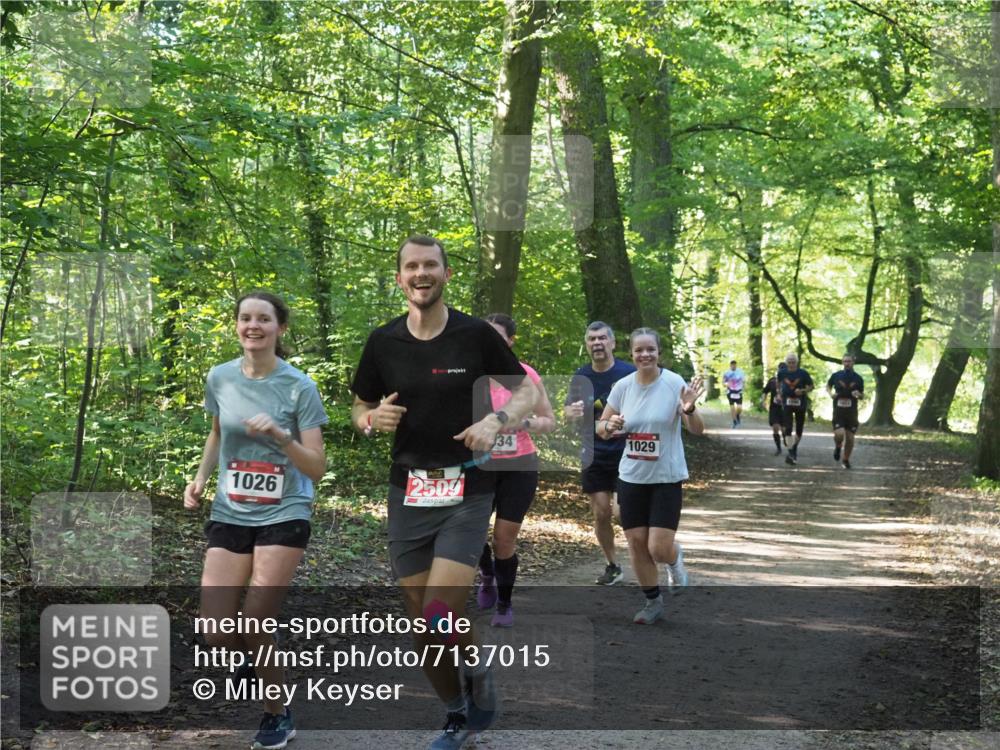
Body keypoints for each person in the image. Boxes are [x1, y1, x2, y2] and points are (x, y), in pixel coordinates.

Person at [350, 235, 537, 750]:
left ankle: (471, 677)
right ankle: (457, 709)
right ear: (399, 279)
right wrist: (370, 420)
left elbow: (528, 391)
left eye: (430, 264)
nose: (421, 273)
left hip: (467, 490)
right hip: (408, 491)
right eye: (411, 266)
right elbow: (360, 407)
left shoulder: (475, 334)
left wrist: (497, 421)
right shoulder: (382, 341)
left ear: (446, 274)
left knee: (439, 610)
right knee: (424, 628)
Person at [184, 291, 328, 750]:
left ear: (279, 328)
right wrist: (200, 478)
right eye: (246, 318)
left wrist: (282, 436)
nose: (253, 326)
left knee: (254, 621)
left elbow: (317, 467)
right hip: (230, 509)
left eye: (263, 319)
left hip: (285, 511)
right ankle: (255, 655)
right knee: (215, 632)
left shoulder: (299, 386)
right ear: (237, 326)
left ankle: (276, 713)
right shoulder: (220, 377)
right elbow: (216, 434)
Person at [597, 328, 705, 624]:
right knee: (635, 542)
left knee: (657, 547)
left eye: (650, 350)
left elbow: (697, 429)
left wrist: (690, 408)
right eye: (639, 350)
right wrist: (610, 426)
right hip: (631, 476)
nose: (645, 355)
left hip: (666, 477)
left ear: (659, 353)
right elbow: (601, 426)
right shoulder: (622, 386)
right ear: (631, 354)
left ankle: (674, 559)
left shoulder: (673, 384)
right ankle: (652, 601)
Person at [476, 313, 556, 628]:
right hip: (479, 466)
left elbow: (549, 420)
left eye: (497, 337)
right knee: (470, 533)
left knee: (504, 540)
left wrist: (523, 422)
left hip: (519, 467)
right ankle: (486, 574)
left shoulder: (525, 375)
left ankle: (505, 605)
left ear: (510, 341)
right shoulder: (471, 375)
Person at [564, 322, 636, 586]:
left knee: (621, 511)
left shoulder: (629, 374)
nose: (597, 343)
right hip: (593, 453)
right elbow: (569, 416)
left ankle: (641, 554)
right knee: (601, 513)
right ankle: (613, 565)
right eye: (592, 339)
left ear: (613, 343)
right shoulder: (581, 377)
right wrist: (569, 414)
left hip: (626, 451)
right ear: (587, 345)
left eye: (602, 338)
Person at [827, 353, 865, 469]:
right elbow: (828, 386)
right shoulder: (836, 375)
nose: (847, 363)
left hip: (852, 412)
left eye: (849, 361)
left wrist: (858, 394)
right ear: (842, 362)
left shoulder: (858, 378)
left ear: (853, 362)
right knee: (839, 434)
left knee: (850, 438)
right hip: (839, 411)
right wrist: (831, 394)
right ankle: (838, 446)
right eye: (845, 361)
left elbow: (862, 395)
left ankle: (845, 459)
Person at [779, 353, 814, 465]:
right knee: (788, 428)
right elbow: (778, 385)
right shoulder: (782, 373)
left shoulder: (803, 373)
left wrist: (802, 391)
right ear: (786, 362)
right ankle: (790, 453)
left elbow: (811, 386)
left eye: (793, 361)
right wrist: (779, 394)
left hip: (800, 404)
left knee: (799, 429)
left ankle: (793, 448)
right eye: (789, 361)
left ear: (797, 362)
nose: (791, 363)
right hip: (787, 404)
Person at [760, 362, 788, 455]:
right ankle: (778, 448)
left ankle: (785, 438)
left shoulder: (789, 381)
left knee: (784, 429)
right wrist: (763, 401)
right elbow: (765, 391)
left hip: (785, 408)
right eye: (780, 370)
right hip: (774, 408)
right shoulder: (772, 381)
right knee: (775, 427)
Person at [722, 360, 746, 428]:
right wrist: (726, 384)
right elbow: (723, 382)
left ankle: (737, 415)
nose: (733, 366)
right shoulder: (727, 373)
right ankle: (734, 421)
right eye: (732, 365)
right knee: (732, 407)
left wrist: (743, 388)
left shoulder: (740, 372)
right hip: (730, 391)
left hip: (738, 391)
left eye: (734, 364)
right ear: (730, 365)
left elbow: (743, 381)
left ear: (736, 365)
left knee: (739, 408)